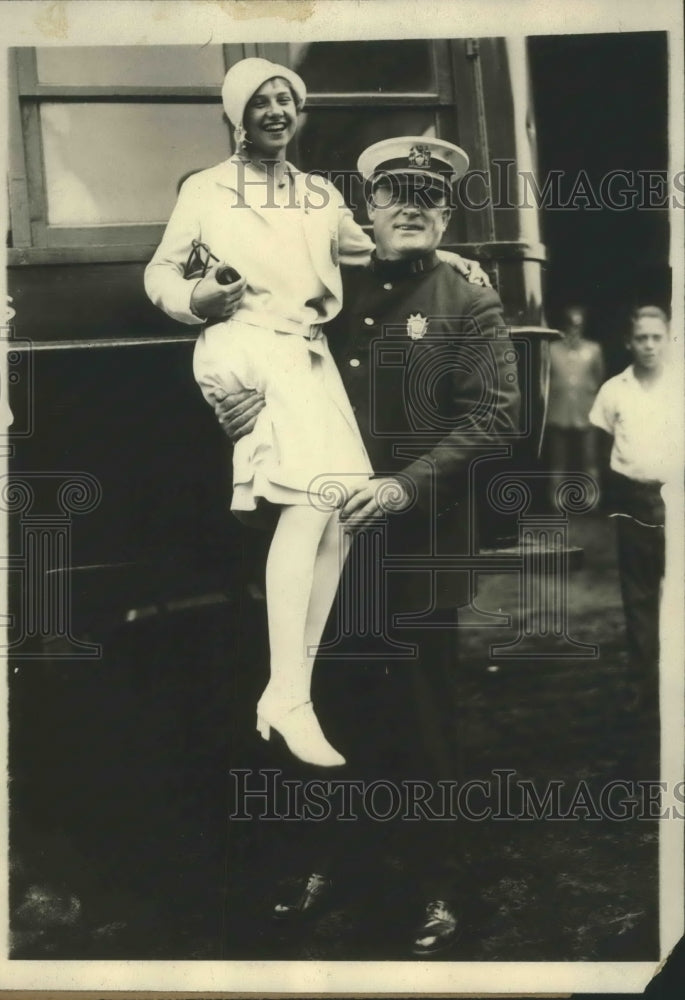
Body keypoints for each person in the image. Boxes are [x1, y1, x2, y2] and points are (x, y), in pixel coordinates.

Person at [216, 136, 520, 956]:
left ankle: (433, 883)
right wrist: (237, 403)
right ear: (367, 211)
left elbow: (492, 418)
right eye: (395, 194)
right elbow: (246, 328)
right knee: (324, 703)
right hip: (324, 542)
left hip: (417, 543)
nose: (412, 205)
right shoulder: (323, 281)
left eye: (428, 195)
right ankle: (335, 862)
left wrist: (401, 486)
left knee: (422, 723)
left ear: (446, 213)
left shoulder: (465, 299)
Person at [144, 59, 483, 769]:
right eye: (260, 102)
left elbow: (374, 247)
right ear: (237, 115)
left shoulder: (319, 194)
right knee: (306, 508)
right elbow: (161, 273)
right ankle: (286, 694)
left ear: (297, 114)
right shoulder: (207, 190)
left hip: (304, 356)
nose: (275, 111)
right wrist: (197, 299)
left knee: (333, 509)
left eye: (285, 100)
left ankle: (289, 691)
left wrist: (450, 258)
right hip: (247, 347)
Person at [588, 306, 676, 729]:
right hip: (633, 502)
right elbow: (601, 443)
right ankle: (644, 686)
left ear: (669, 338)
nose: (649, 346)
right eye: (642, 338)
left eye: (657, 337)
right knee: (639, 600)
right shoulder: (613, 391)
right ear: (629, 342)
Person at [545, 305, 605, 507]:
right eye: (570, 325)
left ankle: (592, 499)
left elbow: (598, 378)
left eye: (578, 326)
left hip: (585, 412)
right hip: (558, 413)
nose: (574, 330)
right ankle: (556, 500)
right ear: (563, 327)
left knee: (589, 460)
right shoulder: (552, 350)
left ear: (583, 327)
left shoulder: (593, 350)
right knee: (557, 461)